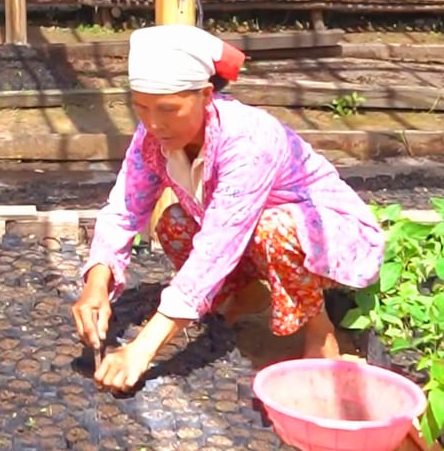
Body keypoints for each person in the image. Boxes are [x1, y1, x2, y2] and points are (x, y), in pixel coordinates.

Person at [71, 24, 384, 392]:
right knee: (173, 222)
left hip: (328, 238)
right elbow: (125, 209)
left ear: (206, 95)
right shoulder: (151, 137)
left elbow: (216, 248)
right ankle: (247, 294)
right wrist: (97, 282)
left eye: (168, 109)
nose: (154, 123)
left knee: (274, 229)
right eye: (140, 107)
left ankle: (321, 331)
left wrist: (141, 350)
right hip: (249, 235)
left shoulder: (248, 140)